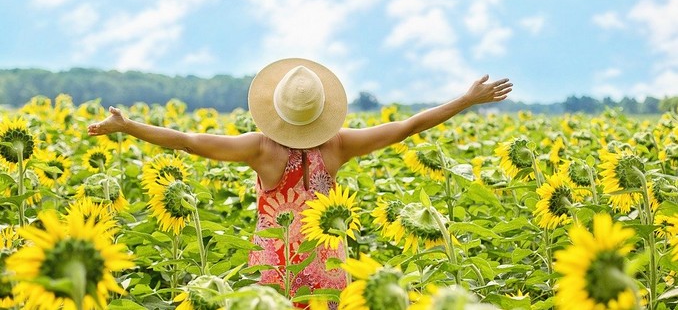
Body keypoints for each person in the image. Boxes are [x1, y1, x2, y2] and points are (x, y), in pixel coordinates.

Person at [87, 58, 512, 305]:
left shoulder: (261, 149)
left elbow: (188, 141)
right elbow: (407, 126)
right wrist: (465, 100)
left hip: (278, 270)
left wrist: (129, 127)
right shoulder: (339, 145)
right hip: (329, 268)